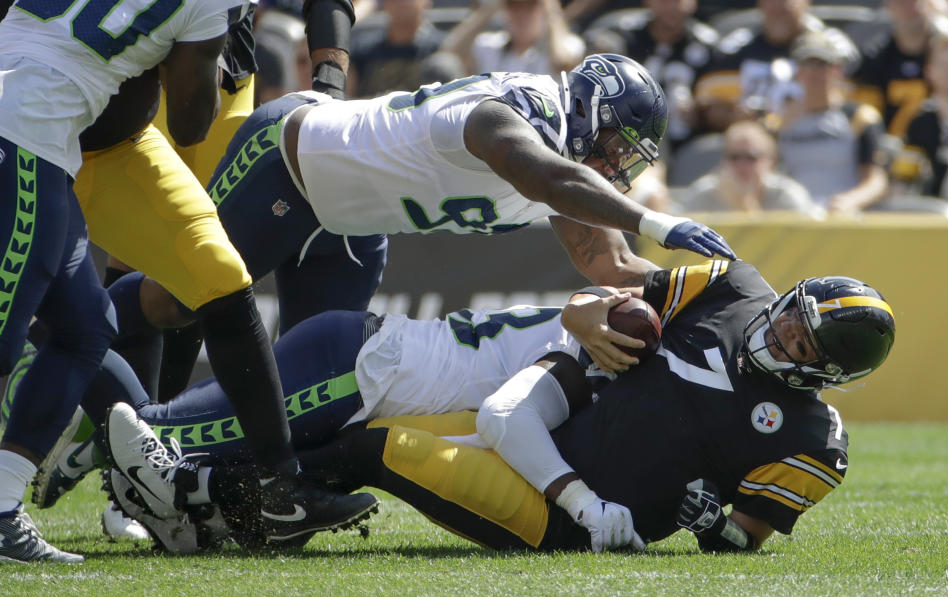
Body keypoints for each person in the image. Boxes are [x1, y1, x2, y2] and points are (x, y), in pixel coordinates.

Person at [101, 256, 896, 554]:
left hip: (559, 519)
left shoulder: (811, 437)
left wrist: (709, 522)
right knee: (362, 431)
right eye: (794, 315)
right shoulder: (731, 287)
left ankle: (194, 494)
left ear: (823, 374)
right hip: (556, 441)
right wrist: (588, 316)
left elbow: (744, 538)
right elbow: (608, 300)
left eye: (802, 344)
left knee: (377, 450)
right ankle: (198, 499)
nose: (783, 333)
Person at [125, 53, 736, 379]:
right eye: (617, 146)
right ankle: (76, 324)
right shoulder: (517, 114)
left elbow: (613, 264)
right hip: (291, 162)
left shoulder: (571, 170)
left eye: (630, 159)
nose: (617, 166)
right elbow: (546, 176)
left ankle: (204, 470)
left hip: (354, 221)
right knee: (179, 301)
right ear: (586, 108)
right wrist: (658, 222)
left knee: (312, 370)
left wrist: (723, 300)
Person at [36, 0, 381, 557]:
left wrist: (329, 88)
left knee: (203, 275)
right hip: (101, 89)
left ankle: (160, 464)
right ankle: (129, 454)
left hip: (213, 72)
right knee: (127, 275)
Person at [0, 0, 259, 564]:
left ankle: (0, 507)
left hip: (40, 129)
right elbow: (191, 123)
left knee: (85, 328)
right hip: (24, 129)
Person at [693, 0, 857, 133]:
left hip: (818, 140)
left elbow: (858, 103)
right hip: (754, 149)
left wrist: (800, 112)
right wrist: (735, 117)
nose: (779, 6)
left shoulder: (835, 49)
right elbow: (709, 105)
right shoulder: (733, 50)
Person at [777, 32, 890, 215]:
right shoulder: (780, 120)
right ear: (798, 71)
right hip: (792, 215)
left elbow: (876, 180)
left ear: (837, 70)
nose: (813, 73)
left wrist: (851, 200)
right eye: (807, 65)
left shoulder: (860, 118)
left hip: (842, 216)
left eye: (821, 65)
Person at [612, 0, 721, 152]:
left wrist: (700, 112)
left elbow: (718, 105)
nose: (672, 7)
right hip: (629, 139)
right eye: (664, 1)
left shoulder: (709, 46)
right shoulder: (624, 37)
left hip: (686, 145)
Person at [852, 0, 948, 138]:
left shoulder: (946, 52)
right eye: (901, 2)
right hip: (894, 147)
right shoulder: (875, 58)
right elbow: (868, 116)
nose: (910, 8)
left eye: (915, 1)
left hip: (943, 140)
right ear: (889, 6)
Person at [679, 120, 822, 216]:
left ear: (770, 161)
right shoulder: (703, 194)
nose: (741, 165)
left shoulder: (787, 195)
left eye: (751, 157)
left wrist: (744, 205)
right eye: (734, 157)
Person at [441, 0, 586, 77]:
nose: (521, 14)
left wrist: (551, 8)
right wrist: (490, 8)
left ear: (542, 10)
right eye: (514, 6)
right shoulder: (490, 45)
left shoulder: (562, 44)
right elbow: (450, 51)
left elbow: (563, 61)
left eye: (529, 6)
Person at [896, 35, 948, 200]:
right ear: (929, 71)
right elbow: (904, 177)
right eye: (944, 66)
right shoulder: (919, 119)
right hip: (930, 215)